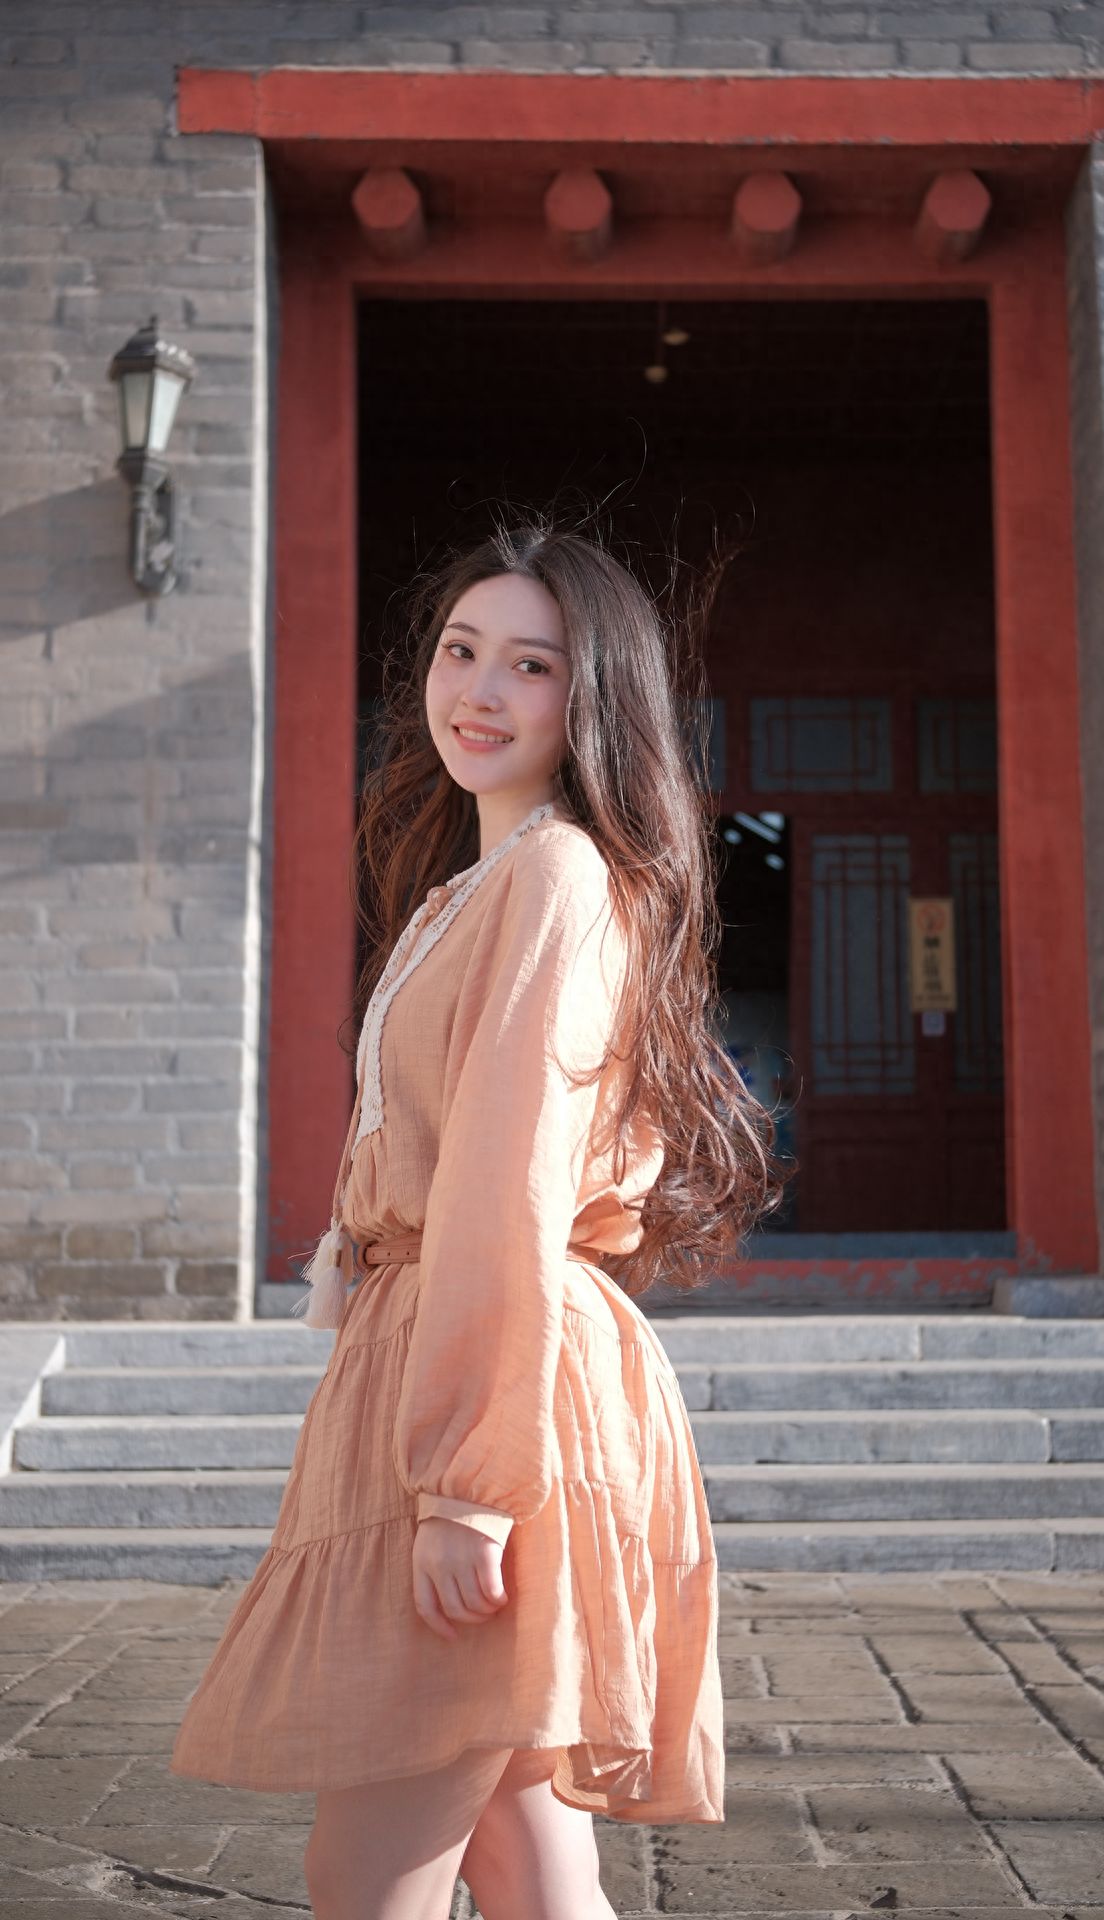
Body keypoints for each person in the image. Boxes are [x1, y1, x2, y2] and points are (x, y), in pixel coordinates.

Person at [169, 511, 788, 1919]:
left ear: (594, 700)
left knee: (367, 1870)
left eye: (532, 666)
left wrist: (466, 1483)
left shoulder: (560, 878)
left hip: (499, 1387)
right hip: (455, 1359)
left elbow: (507, 1182)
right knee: (521, 1851)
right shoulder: (477, 883)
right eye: (462, 651)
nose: (481, 692)